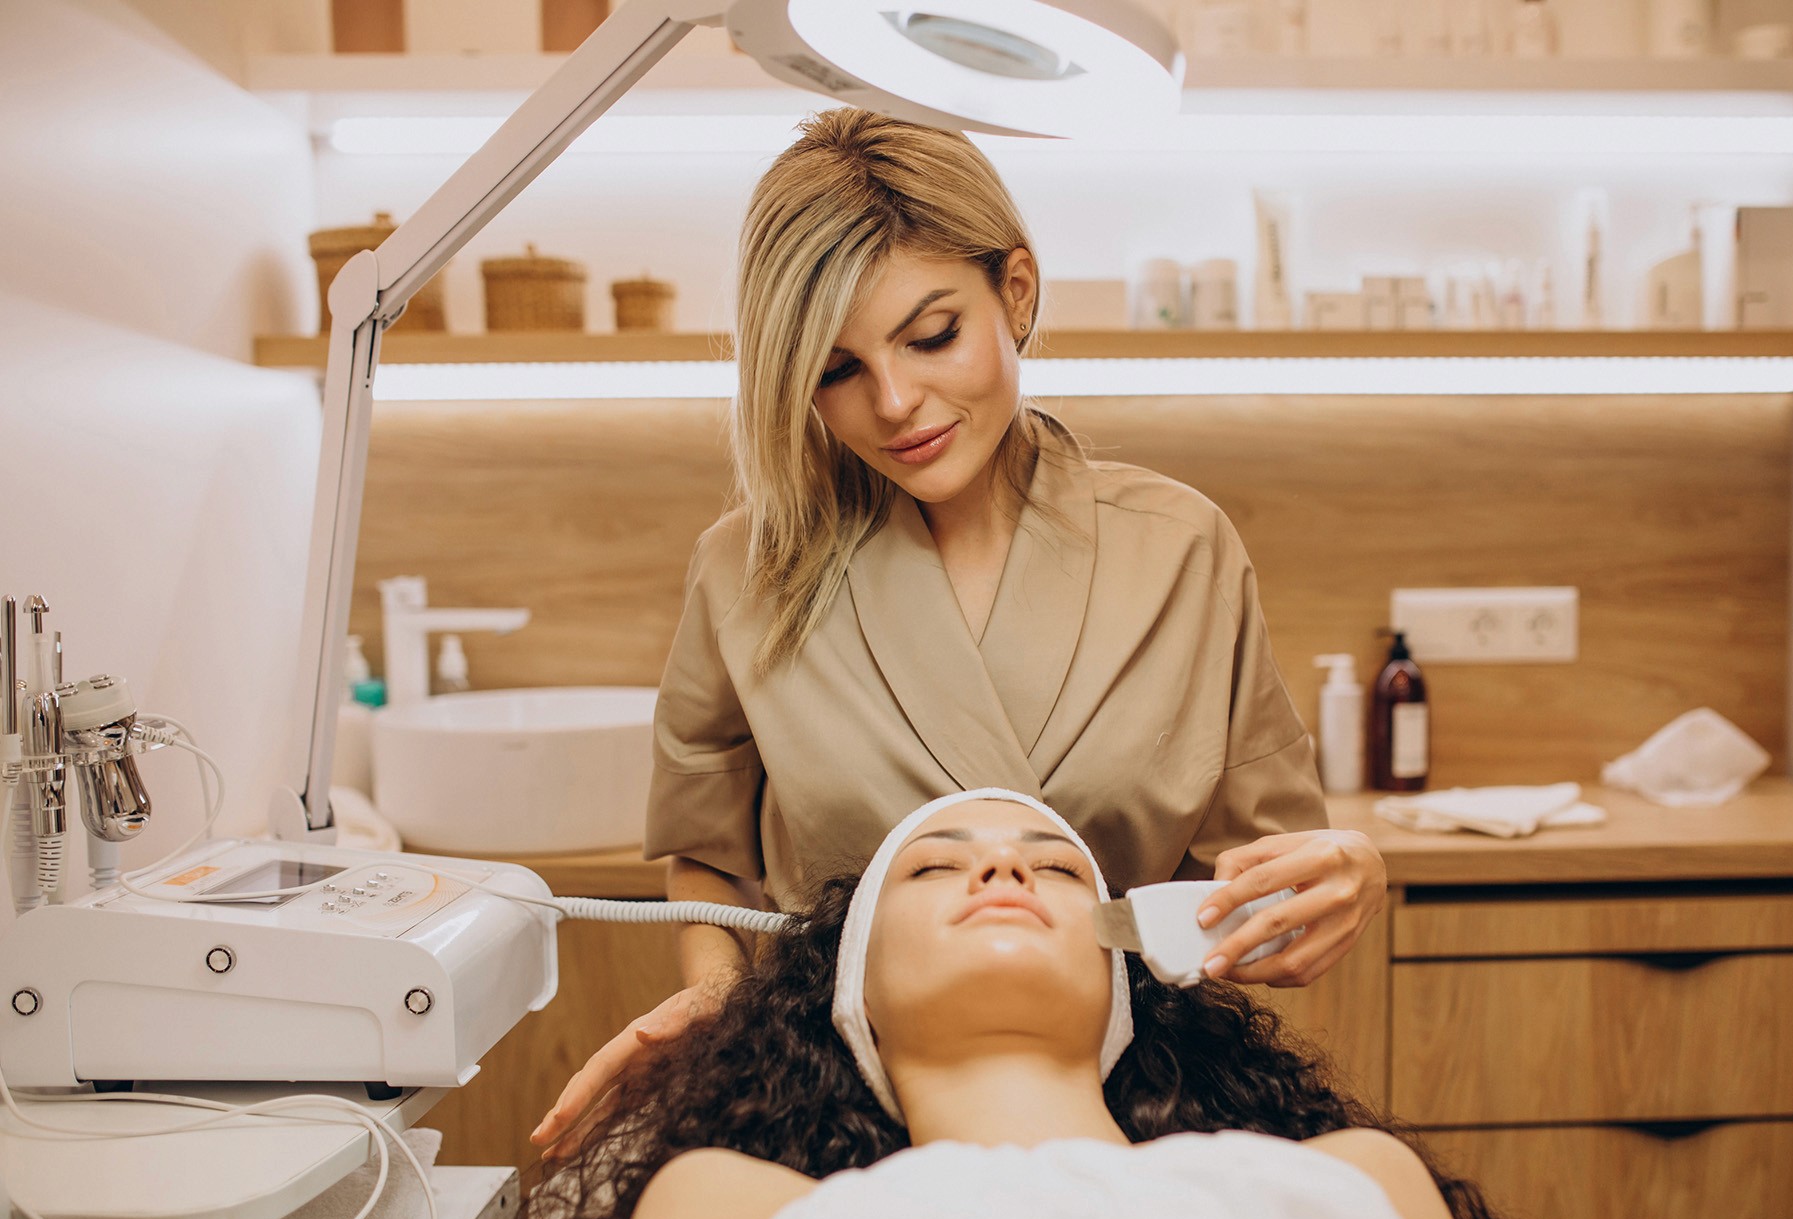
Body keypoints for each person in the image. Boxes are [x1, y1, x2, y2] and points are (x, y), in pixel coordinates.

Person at [534, 107, 1390, 1157]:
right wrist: (720, 1007)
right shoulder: (747, 571)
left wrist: (1342, 874)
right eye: (835, 370)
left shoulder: (1181, 549)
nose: (895, 403)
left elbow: (1259, 878)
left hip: (1134, 1110)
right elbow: (710, 859)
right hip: (836, 1116)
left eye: (930, 335)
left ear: (1015, 293)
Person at [482, 792, 1595, 1219]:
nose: (1003, 873)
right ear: (847, 992)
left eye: (1056, 870)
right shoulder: (726, 1209)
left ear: (1128, 972)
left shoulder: (1358, 1176)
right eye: (931, 870)